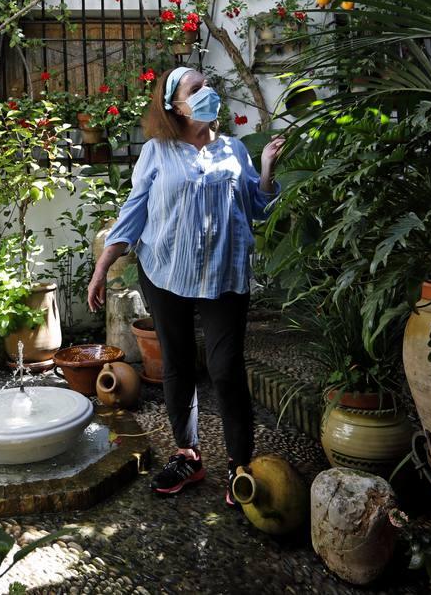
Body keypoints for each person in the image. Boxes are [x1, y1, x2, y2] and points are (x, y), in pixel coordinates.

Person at [87, 66, 284, 507]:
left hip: (224, 273)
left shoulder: (234, 149)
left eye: (208, 85)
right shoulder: (157, 151)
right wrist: (103, 265)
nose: (207, 92)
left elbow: (259, 207)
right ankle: (187, 455)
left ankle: (239, 465)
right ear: (175, 106)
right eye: (196, 89)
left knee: (225, 367)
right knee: (175, 364)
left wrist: (267, 170)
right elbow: (134, 211)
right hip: (166, 270)